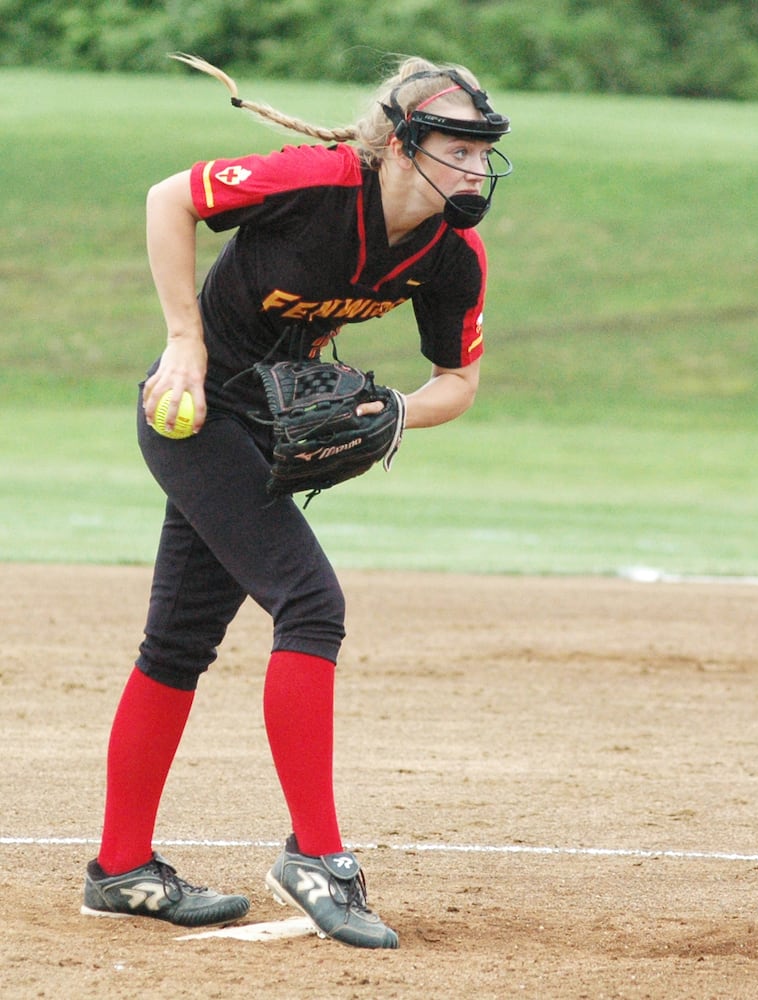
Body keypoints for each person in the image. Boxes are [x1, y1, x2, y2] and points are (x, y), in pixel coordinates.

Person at [79, 53, 512, 949]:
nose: (476, 167)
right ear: (400, 145)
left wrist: (392, 413)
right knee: (310, 604)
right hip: (195, 413)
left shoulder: (451, 257)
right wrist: (182, 344)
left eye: (484, 152)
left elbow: (457, 382)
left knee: (177, 644)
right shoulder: (317, 183)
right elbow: (171, 197)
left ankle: (120, 867)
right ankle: (316, 858)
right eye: (459, 148)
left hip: (269, 434)